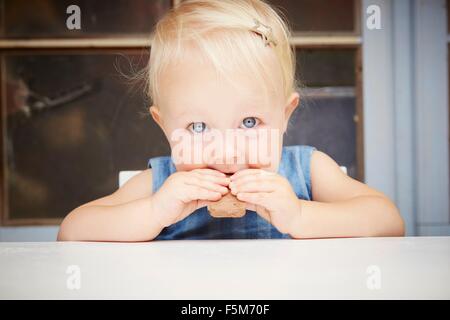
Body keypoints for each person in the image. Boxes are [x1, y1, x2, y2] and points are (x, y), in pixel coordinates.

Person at [58, 0, 404, 242]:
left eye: (250, 122)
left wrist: (300, 215)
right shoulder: (160, 184)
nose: (226, 153)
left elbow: (388, 221)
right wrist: (155, 211)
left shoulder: (306, 171)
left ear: (285, 116)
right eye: (198, 127)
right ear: (164, 126)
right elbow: (73, 231)